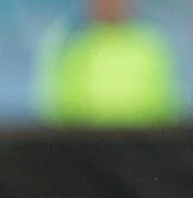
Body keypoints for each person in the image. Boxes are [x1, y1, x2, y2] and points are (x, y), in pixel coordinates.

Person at [37, 0, 182, 127]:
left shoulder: (152, 44)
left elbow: (170, 109)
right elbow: (54, 111)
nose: (110, 3)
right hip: (83, 148)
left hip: (145, 149)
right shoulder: (70, 45)